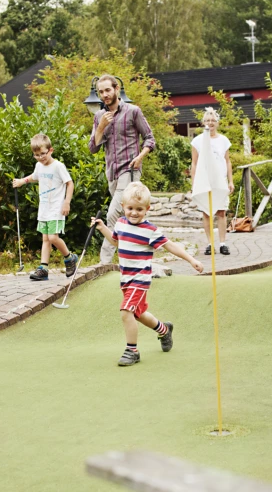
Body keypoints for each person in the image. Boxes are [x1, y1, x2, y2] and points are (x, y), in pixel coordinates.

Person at [92, 182, 204, 367]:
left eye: (139, 209)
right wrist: (103, 227)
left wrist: (191, 260)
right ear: (123, 207)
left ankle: (132, 351)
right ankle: (164, 330)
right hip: (126, 278)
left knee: (126, 311)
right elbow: (117, 242)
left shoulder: (150, 231)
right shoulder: (121, 223)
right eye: (130, 208)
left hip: (140, 279)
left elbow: (170, 245)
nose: (134, 213)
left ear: (147, 209)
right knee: (138, 314)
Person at [89, 74, 156, 265]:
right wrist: (101, 127)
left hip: (130, 170)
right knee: (125, 216)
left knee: (112, 214)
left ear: (116, 89)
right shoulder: (99, 117)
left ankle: (104, 263)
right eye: (101, 92)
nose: (104, 95)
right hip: (111, 173)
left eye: (108, 90)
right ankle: (135, 253)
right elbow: (93, 148)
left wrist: (140, 157)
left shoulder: (133, 111)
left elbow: (150, 138)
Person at [12, 134, 78, 281]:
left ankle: (69, 258)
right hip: (44, 209)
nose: (40, 157)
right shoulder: (39, 166)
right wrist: (22, 181)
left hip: (56, 208)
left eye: (43, 153)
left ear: (50, 150)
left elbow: (70, 183)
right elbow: (35, 177)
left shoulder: (58, 166)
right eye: (36, 155)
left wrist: (67, 202)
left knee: (53, 237)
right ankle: (44, 269)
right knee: (46, 239)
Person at [190, 107, 234, 255]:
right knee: (206, 212)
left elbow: (227, 161)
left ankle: (222, 243)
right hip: (204, 180)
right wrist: (194, 183)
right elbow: (194, 163)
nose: (210, 123)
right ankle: (210, 244)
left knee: (221, 212)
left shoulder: (223, 140)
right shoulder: (197, 141)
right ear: (203, 122)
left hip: (220, 180)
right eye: (208, 120)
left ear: (217, 122)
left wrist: (230, 181)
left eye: (213, 120)